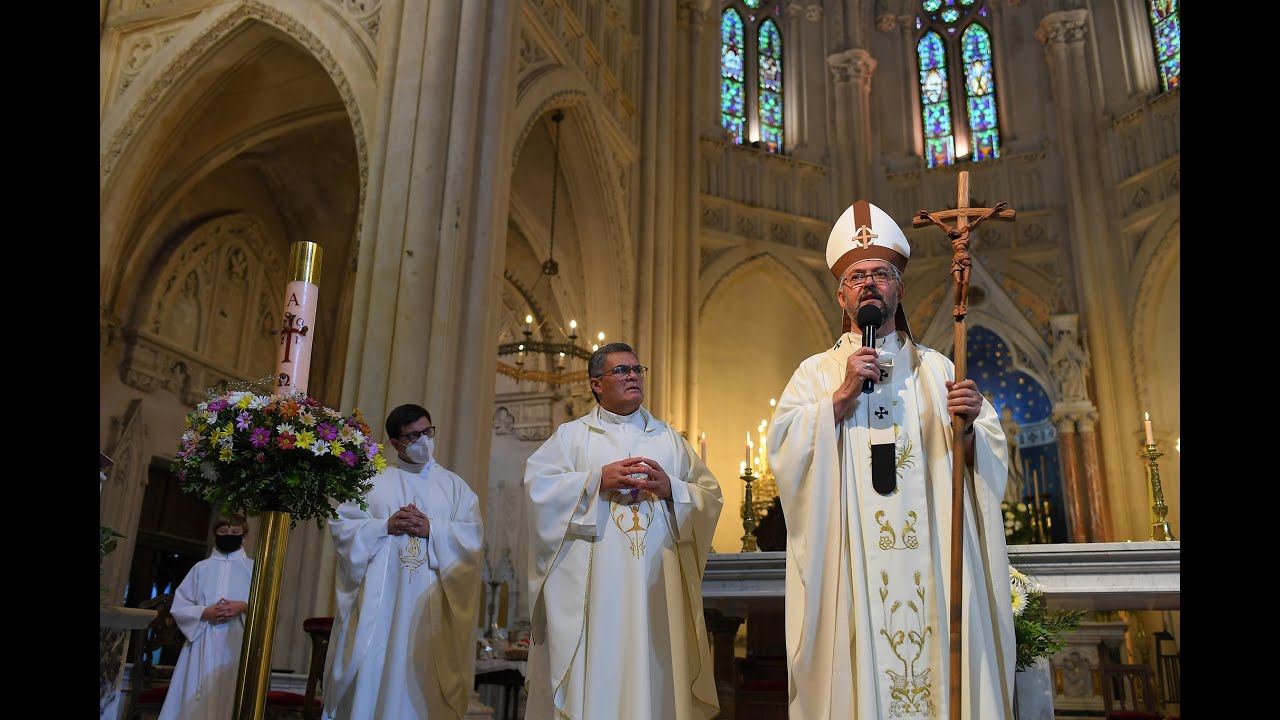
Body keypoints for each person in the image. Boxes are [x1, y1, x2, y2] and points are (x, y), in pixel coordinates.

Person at [766, 200, 1016, 719]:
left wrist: (971, 428)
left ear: (899, 290)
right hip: (852, 562)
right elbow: (785, 452)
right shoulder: (815, 374)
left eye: (881, 275)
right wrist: (839, 399)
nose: (869, 285)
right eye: (857, 277)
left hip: (935, 563)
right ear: (842, 296)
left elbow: (984, 464)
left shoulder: (939, 369)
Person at [523, 342, 723, 720]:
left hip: (657, 586)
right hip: (596, 590)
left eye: (637, 370)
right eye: (621, 370)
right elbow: (538, 491)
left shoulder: (669, 440)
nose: (633, 376)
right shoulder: (571, 438)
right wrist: (596, 480)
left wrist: (672, 488)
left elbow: (709, 496)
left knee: (657, 669)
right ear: (596, 384)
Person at [322, 404, 484, 720]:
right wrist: (385, 526)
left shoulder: (455, 487)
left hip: (429, 610)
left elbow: (473, 539)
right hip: (380, 608)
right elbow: (342, 527)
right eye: (413, 436)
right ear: (396, 444)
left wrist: (433, 529)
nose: (423, 441)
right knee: (375, 674)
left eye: (427, 432)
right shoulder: (372, 481)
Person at [157, 516, 254, 720]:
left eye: (235, 533)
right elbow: (180, 605)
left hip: (237, 640)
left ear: (244, 536)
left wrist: (245, 606)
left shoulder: (254, 568)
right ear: (215, 535)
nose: (229, 536)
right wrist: (203, 612)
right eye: (223, 532)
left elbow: (267, 607)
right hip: (203, 637)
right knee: (195, 694)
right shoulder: (201, 568)